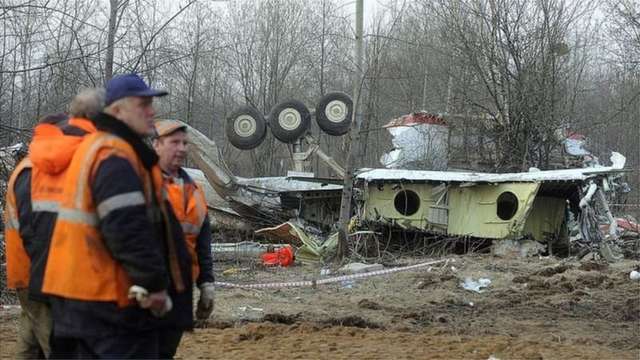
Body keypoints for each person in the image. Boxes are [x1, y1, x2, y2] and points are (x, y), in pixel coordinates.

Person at [41, 74, 190, 359]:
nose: (152, 111)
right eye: (142, 104)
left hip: (79, 298)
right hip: (108, 303)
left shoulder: (97, 147)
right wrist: (153, 284)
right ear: (118, 110)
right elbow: (126, 227)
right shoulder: (115, 155)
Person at [4, 90, 103, 359]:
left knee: (30, 342)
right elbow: (37, 232)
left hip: (31, 273)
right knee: (54, 346)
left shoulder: (31, 167)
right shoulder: (34, 170)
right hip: (39, 276)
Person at [152, 120, 215, 358]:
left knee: (166, 351)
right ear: (156, 145)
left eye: (184, 143)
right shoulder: (139, 183)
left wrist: (207, 283)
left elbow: (203, 241)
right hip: (146, 289)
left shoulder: (194, 189)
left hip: (181, 288)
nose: (181, 148)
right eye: (174, 142)